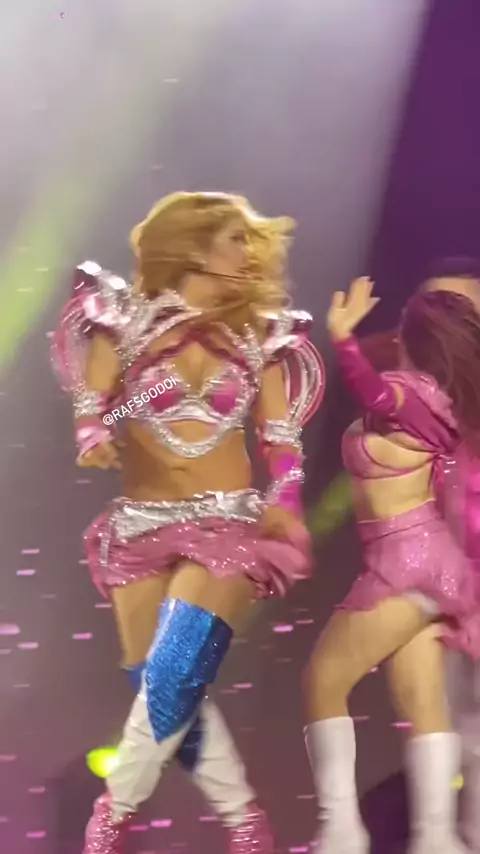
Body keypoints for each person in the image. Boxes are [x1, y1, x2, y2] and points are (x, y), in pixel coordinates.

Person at [51, 191, 324, 854]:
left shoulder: (261, 337)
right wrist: (96, 434)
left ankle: (111, 816)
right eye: (236, 238)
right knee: (157, 683)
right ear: (193, 246)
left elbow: (282, 441)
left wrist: (286, 501)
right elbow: (102, 410)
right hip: (141, 525)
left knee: (173, 671)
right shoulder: (124, 323)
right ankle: (246, 824)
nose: (249, 253)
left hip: (227, 522)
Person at [303, 277, 480, 854]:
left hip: (406, 564)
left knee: (323, 681)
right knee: (421, 701)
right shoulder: (439, 397)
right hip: (422, 561)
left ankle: (340, 832)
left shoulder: (413, 394)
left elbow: (374, 393)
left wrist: (342, 338)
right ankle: (436, 838)